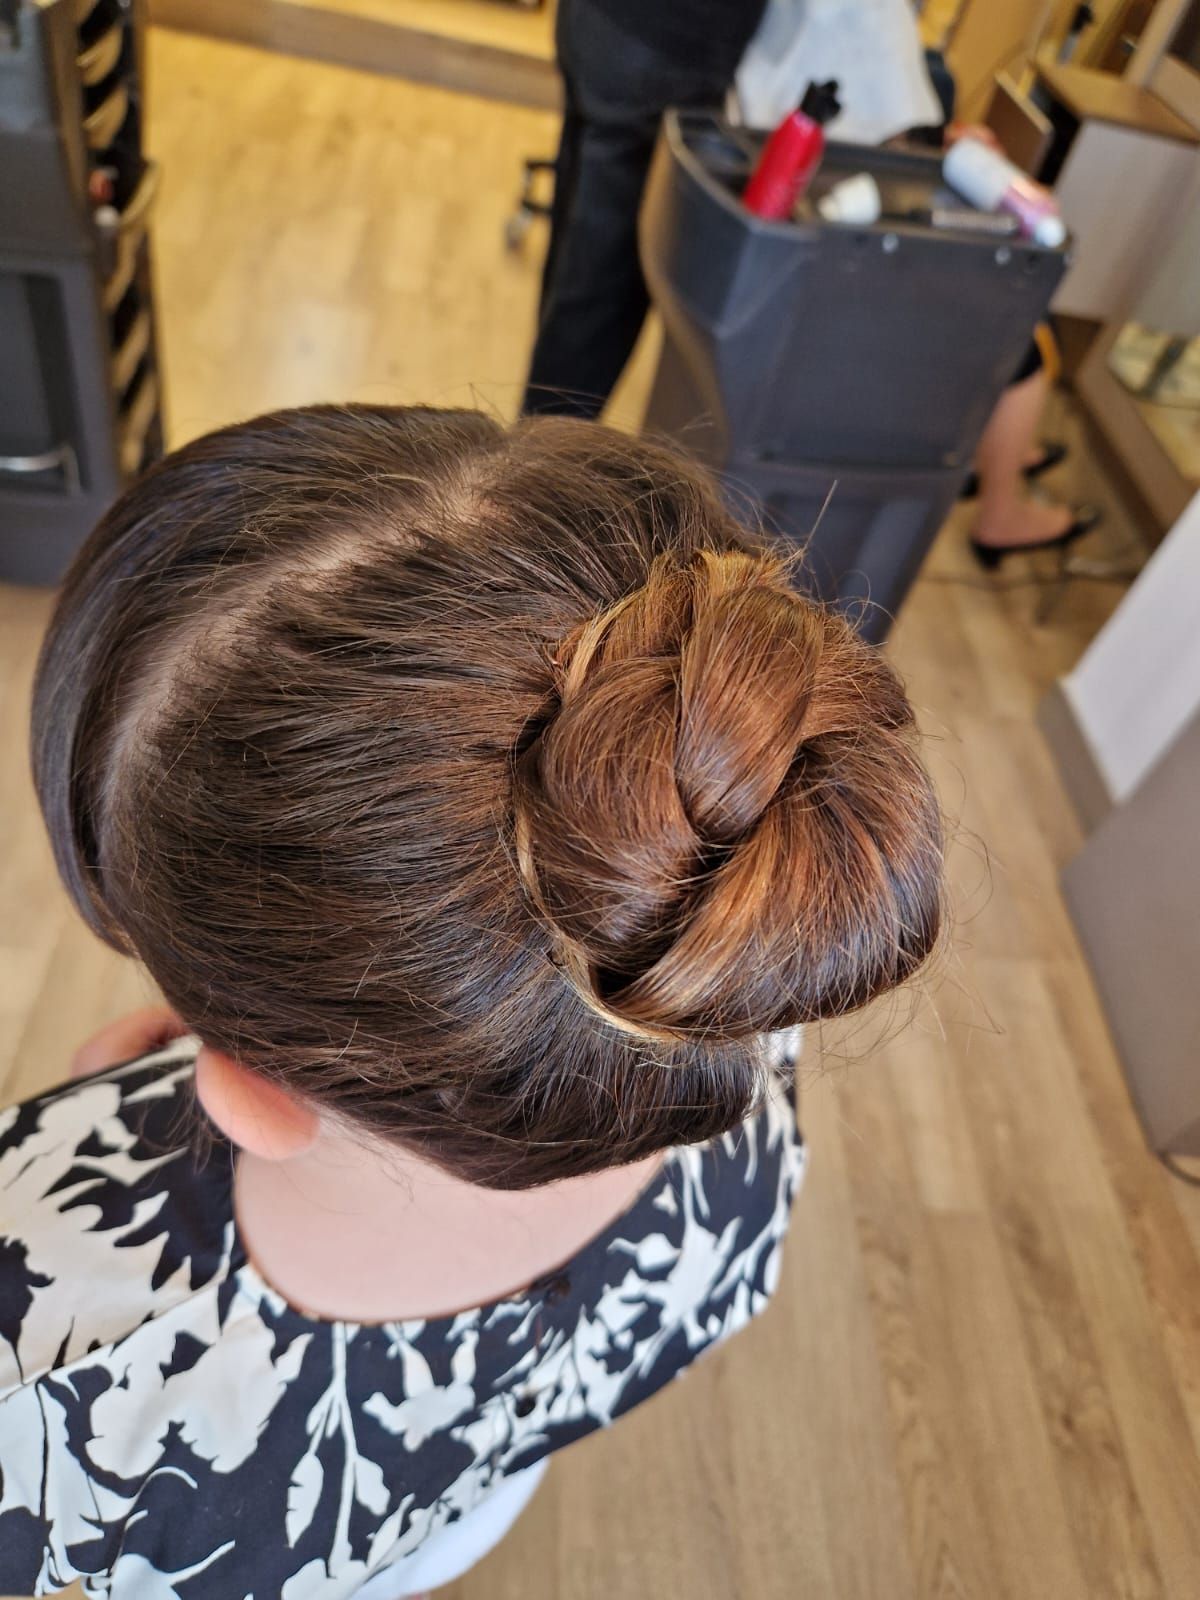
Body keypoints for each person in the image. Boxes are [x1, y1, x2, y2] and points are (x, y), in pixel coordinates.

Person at [1, 407, 944, 1598]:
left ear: (253, 1094)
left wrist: (100, 1120)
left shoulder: (46, 1349)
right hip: (469, 1480)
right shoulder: (715, 973)